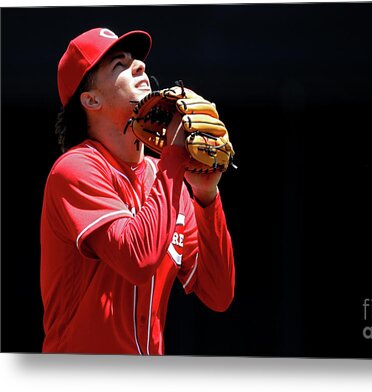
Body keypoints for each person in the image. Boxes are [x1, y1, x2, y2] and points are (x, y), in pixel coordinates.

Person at [40, 27, 235, 355]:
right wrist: (174, 156)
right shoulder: (76, 170)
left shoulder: (164, 175)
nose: (140, 66)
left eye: (137, 60)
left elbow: (218, 295)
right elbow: (137, 259)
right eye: (119, 65)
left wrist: (206, 197)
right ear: (91, 99)